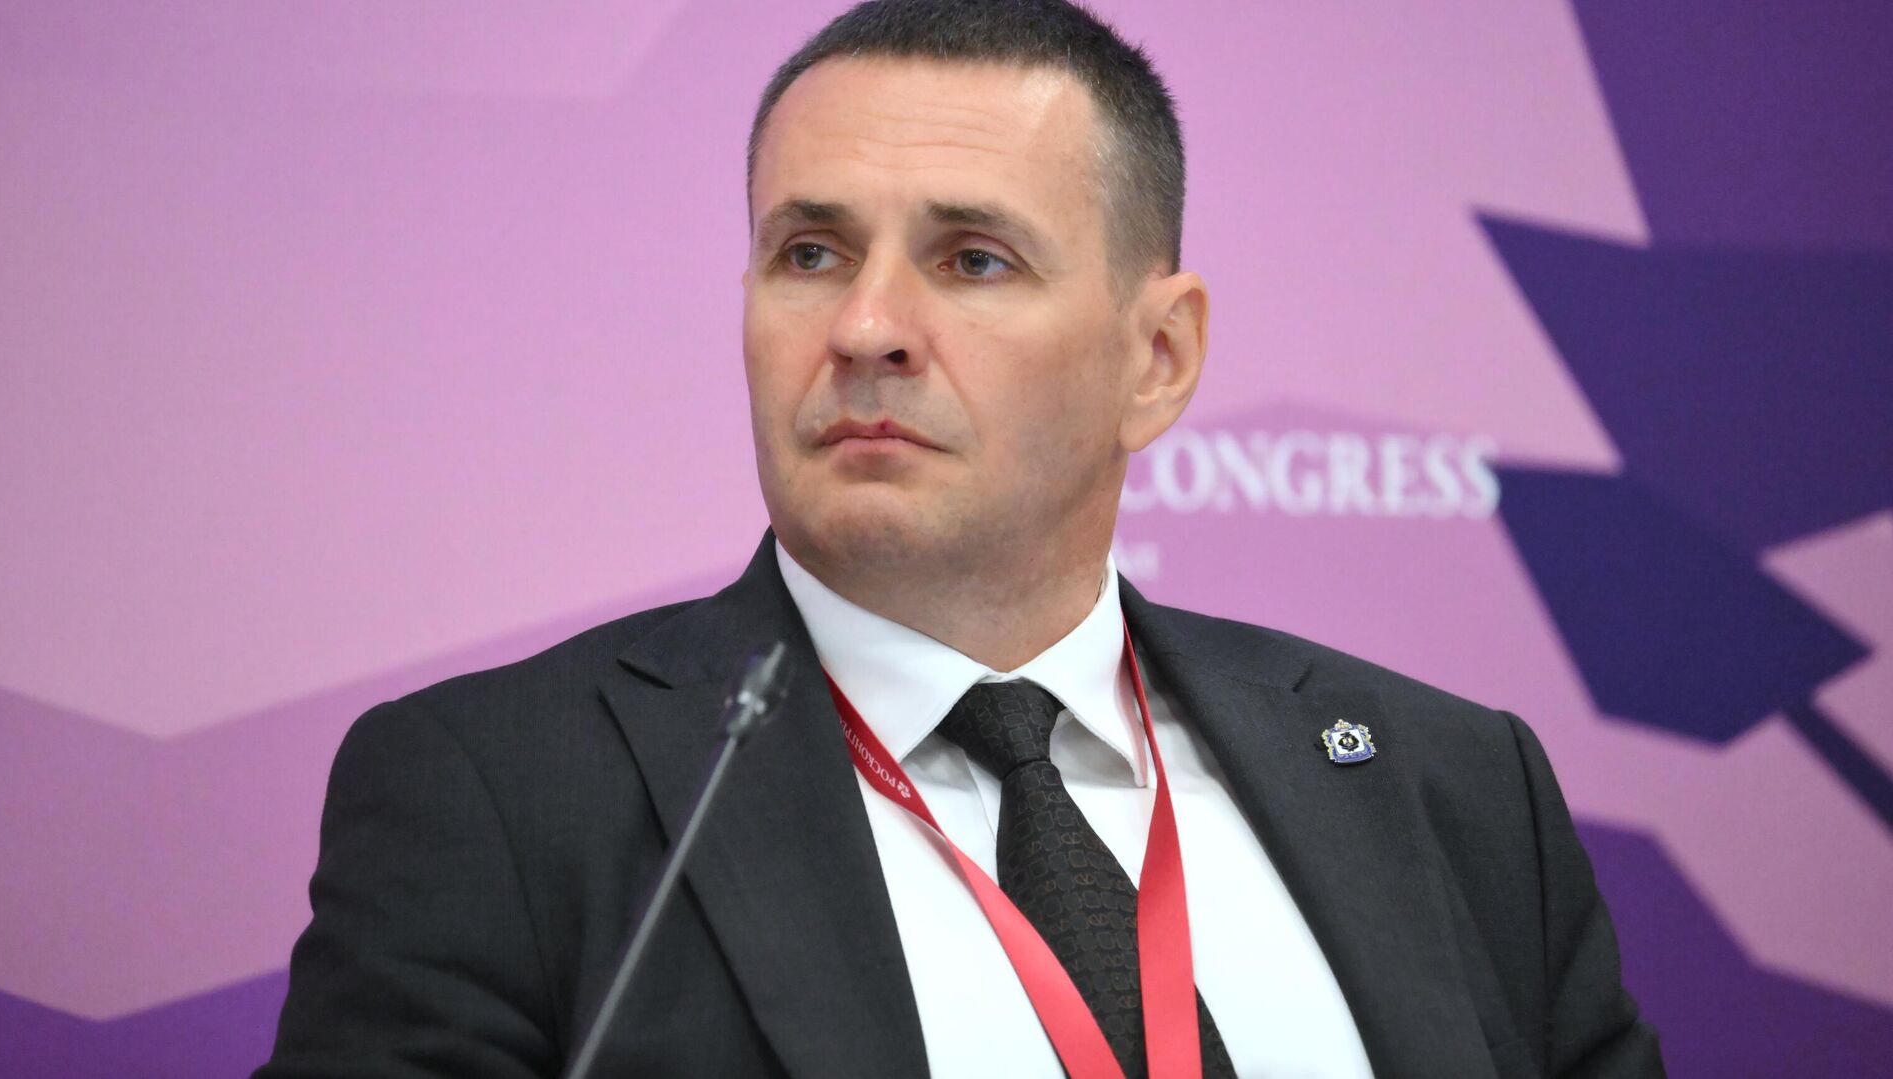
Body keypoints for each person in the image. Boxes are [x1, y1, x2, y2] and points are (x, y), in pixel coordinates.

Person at [258, 1, 1663, 1076]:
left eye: (971, 259)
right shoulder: (502, 799)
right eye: (810, 253)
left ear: (1157, 360)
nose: (865, 327)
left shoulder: (1455, 788)